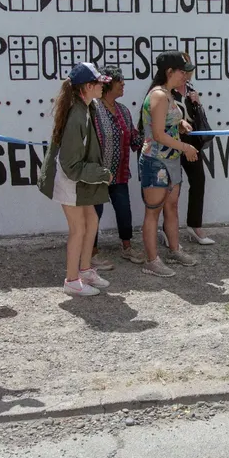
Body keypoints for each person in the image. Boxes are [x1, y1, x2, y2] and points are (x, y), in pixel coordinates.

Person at [38, 62, 113, 296]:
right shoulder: (77, 115)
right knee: (78, 229)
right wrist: (102, 174)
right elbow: (70, 166)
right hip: (71, 182)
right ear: (88, 86)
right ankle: (71, 280)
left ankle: (85, 270)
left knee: (91, 223)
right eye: (100, 83)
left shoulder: (86, 107)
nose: (103, 87)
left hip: (79, 181)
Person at [137, 51, 199, 278]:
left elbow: (165, 123)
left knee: (172, 207)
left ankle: (174, 249)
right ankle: (152, 260)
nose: (186, 76)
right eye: (183, 72)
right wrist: (185, 147)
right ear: (169, 71)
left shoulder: (168, 95)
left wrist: (181, 123)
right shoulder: (159, 95)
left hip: (170, 161)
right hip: (156, 162)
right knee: (153, 212)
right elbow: (158, 135)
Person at [92, 66, 145, 265]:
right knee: (94, 213)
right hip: (96, 174)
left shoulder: (123, 110)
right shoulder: (93, 109)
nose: (123, 84)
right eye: (119, 81)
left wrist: (151, 137)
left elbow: (133, 138)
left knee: (124, 209)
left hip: (119, 174)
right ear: (107, 84)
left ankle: (127, 247)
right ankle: (92, 252)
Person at [175, 53, 215, 245]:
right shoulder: (163, 92)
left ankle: (194, 225)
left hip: (192, 142)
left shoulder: (190, 90)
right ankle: (169, 232)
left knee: (198, 181)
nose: (187, 75)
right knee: (171, 188)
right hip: (172, 142)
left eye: (189, 71)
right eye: (184, 71)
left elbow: (199, 119)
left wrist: (197, 103)